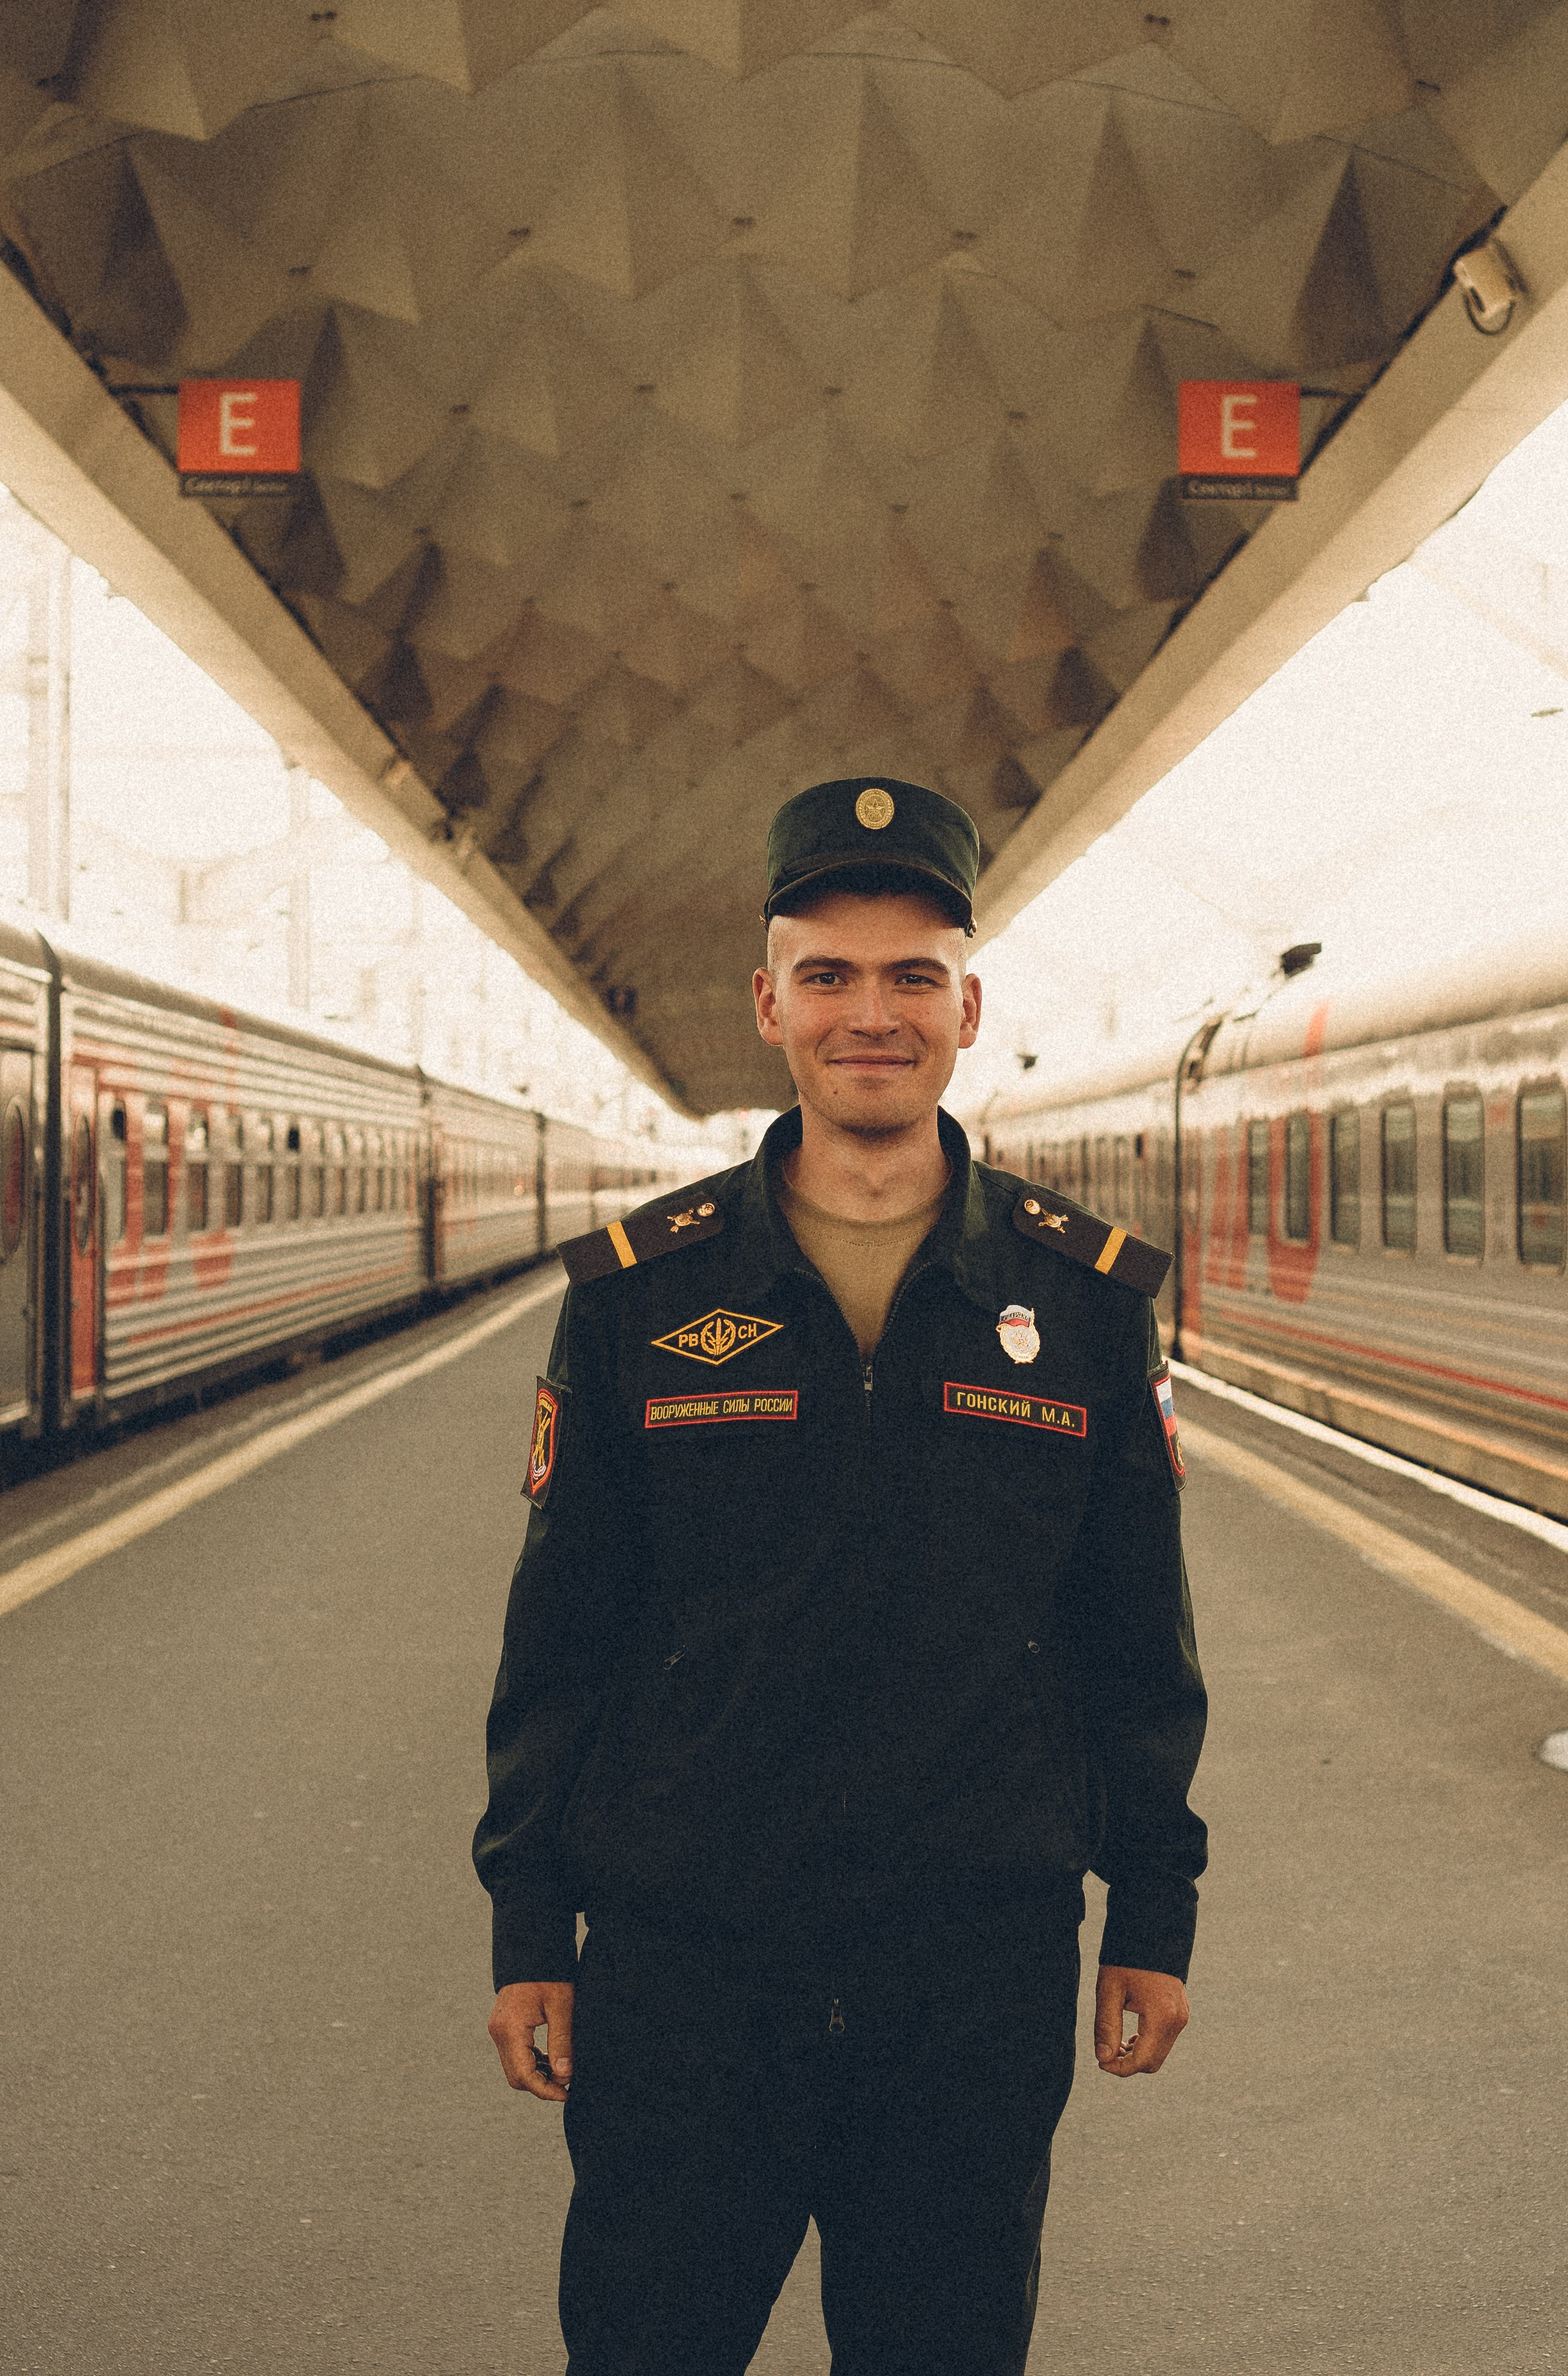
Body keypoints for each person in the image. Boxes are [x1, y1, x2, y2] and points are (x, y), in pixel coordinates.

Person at [473, 775, 1207, 2376]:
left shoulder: (1086, 1302)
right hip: (687, 1971)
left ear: (967, 1010)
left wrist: (1155, 1904)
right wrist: (531, 1920)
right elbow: (565, 1633)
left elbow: (1132, 1638)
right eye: (829, 975)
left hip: (973, 1977)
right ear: (770, 1007)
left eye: (911, 977)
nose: (871, 1014)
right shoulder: (637, 1299)